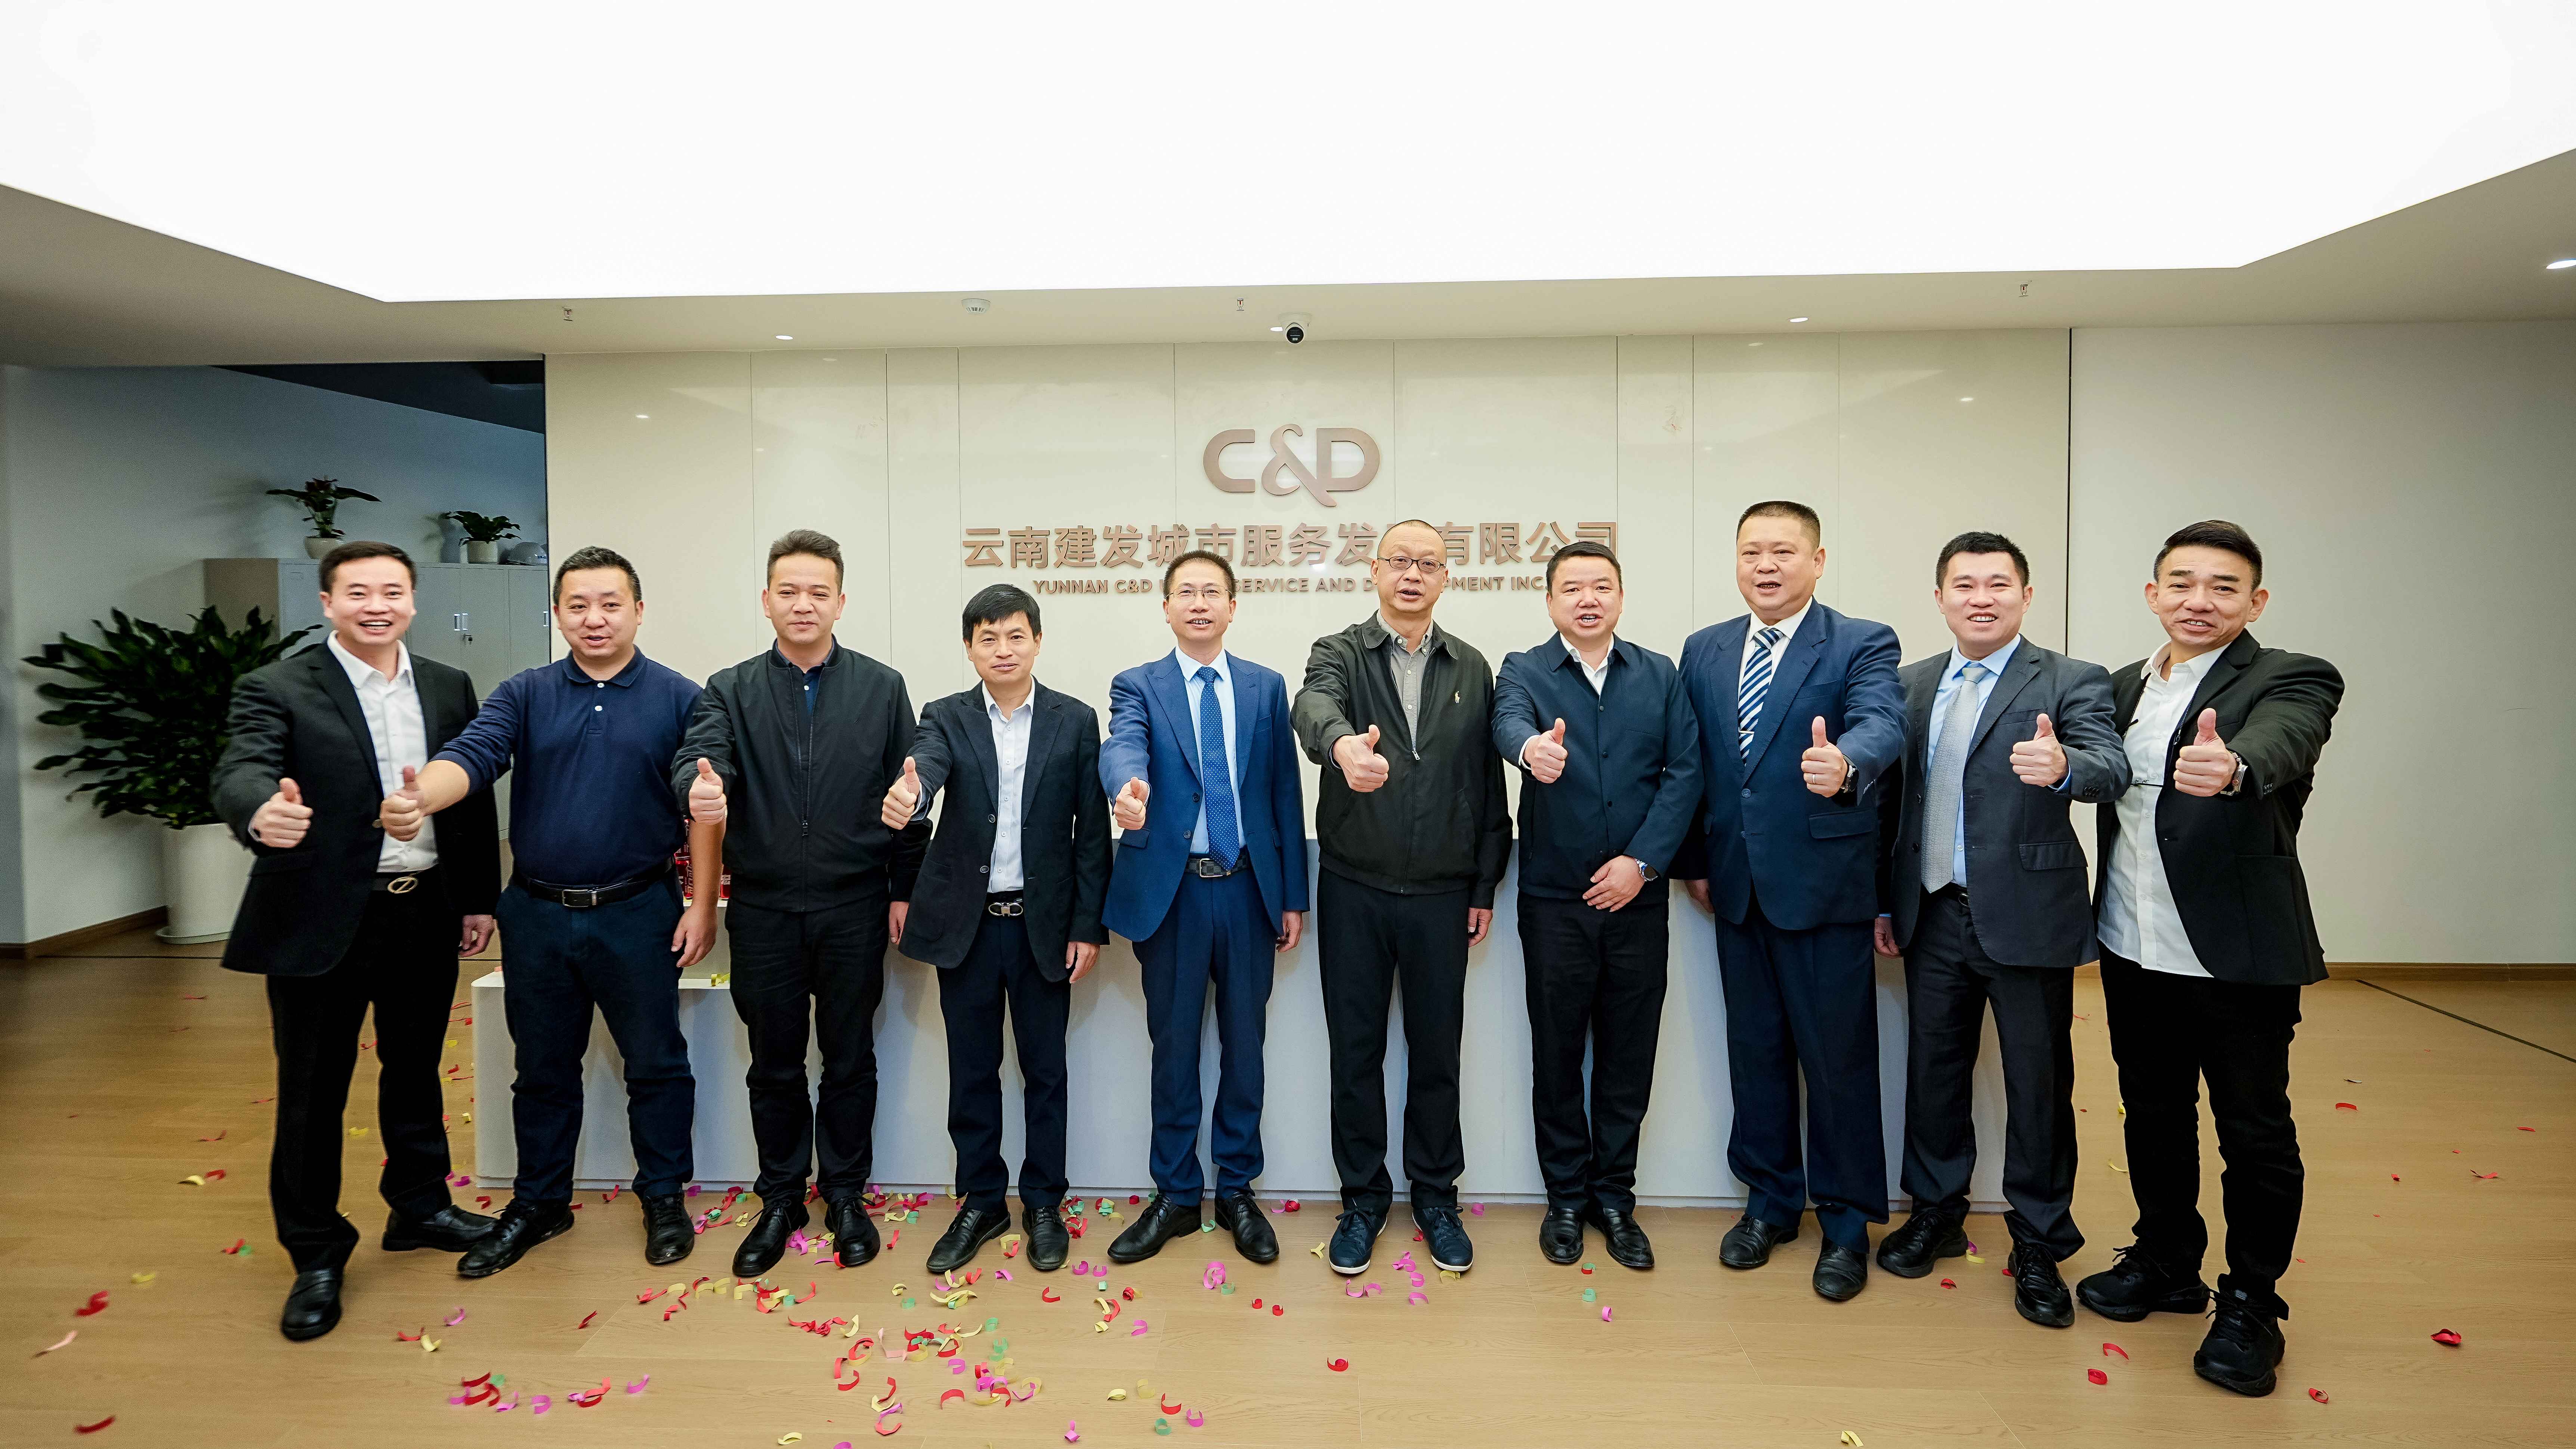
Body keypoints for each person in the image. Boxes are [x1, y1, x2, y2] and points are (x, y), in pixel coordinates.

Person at [377, 546, 722, 1278]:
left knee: (657, 1065)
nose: (595, 619)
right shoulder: (525, 692)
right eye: (578, 605)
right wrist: (419, 798)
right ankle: (540, 1202)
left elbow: (699, 793)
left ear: (638, 610)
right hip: (535, 913)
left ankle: (663, 1196)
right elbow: (473, 755)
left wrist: (700, 904)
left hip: (638, 910)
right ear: (559, 613)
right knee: (540, 1070)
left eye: (610, 604)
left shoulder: (680, 696)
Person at [2075, 520, 2342, 1398]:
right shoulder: (2121, 686)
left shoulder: (2291, 676)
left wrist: (2233, 767)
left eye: (2223, 586)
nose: (2200, 600)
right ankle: (2167, 1262)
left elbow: (2285, 740)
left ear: (2255, 602)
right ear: (2153, 593)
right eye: (2182, 582)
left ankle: (2254, 1302)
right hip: (2133, 940)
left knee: (2254, 1131)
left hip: (2239, 953)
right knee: (2153, 1112)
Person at [211, 541, 501, 1341]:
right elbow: (241, 770)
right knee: (313, 1088)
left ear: (413, 600)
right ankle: (315, 1251)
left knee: (415, 1069)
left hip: (422, 909)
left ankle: (420, 1207)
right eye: (359, 592)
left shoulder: (446, 683)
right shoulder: (276, 686)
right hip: (320, 915)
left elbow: (470, 796)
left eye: (393, 591)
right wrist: (259, 811)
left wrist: (477, 898)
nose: (378, 606)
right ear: (328, 603)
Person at [1868, 531, 2125, 1326]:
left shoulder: (2071, 678)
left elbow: (2110, 765)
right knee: (1933, 1072)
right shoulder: (1910, 684)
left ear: (2026, 595)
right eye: (1965, 584)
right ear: (1940, 597)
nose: (1981, 598)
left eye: (1998, 584)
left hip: (2027, 914)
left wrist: (2066, 768)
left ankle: (2040, 1240)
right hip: (1931, 909)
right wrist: (1885, 900)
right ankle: (1936, 1213)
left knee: (2037, 1083)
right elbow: (1892, 804)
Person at [671, 529, 926, 1276]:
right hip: (765, 910)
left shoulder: (882, 687)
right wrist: (699, 786)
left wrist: (904, 888)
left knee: (850, 1057)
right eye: (789, 591)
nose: (803, 604)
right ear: (766, 600)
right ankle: (781, 1196)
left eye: (819, 592)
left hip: (855, 905)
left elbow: (909, 793)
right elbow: (700, 757)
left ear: (841, 602)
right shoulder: (730, 688)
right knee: (774, 1063)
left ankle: (845, 1194)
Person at [1673, 500, 1903, 1302]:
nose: (1765, 565)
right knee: (1756, 1053)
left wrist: (1845, 763)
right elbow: (1696, 763)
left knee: (1838, 1062)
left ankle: (1844, 1223)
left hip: (1824, 886)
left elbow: (1882, 723)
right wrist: (1695, 860)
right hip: (1735, 885)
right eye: (1751, 552)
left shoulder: (1860, 641)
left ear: (1818, 560)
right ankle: (1770, 1202)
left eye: (1782, 551)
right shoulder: (1705, 648)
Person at [1293, 519, 1511, 1277]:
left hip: (1443, 894)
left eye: (1428, 564)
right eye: (1399, 561)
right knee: (1355, 1052)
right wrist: (1341, 745)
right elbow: (1312, 705)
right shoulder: (1339, 652)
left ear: (1445, 578)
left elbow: (1487, 784)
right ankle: (1362, 1200)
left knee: (1436, 1052)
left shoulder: (1471, 665)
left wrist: (1484, 882)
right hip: (1354, 885)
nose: (1412, 575)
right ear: (1375, 570)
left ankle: (1436, 1197)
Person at [882, 584, 1109, 1275]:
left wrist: (1087, 926)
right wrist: (912, 793)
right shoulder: (945, 715)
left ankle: (1043, 1202)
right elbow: (927, 767)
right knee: (972, 1071)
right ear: (969, 647)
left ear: (1037, 641)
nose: (1002, 649)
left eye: (1015, 636)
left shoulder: (1075, 719)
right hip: (970, 929)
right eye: (988, 638)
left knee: (1046, 1072)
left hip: (1044, 926)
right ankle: (981, 1200)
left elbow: (1090, 832)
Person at [1491, 540, 1699, 1271]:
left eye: (1601, 586)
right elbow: (1507, 723)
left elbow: (1685, 772)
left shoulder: (1660, 673)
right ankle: (1565, 1199)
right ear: (1550, 600)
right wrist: (1531, 752)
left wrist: (1641, 863)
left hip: (1638, 901)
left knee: (1627, 1055)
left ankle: (1614, 1197)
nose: (1588, 598)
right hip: (1555, 901)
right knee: (1556, 1052)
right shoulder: (1523, 670)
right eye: (1573, 587)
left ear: (1619, 597)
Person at [1096, 551, 1307, 1267]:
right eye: (1184, 592)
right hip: (1175, 894)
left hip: (1249, 890)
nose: (1197, 603)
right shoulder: (1138, 684)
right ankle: (1177, 1195)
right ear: (1165, 608)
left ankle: (1238, 1190)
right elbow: (1122, 746)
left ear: (1231, 606)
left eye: (1210, 592)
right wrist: (1127, 788)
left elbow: (1283, 792)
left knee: (1246, 1047)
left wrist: (1292, 896)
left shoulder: (1264, 687)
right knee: (1174, 1047)